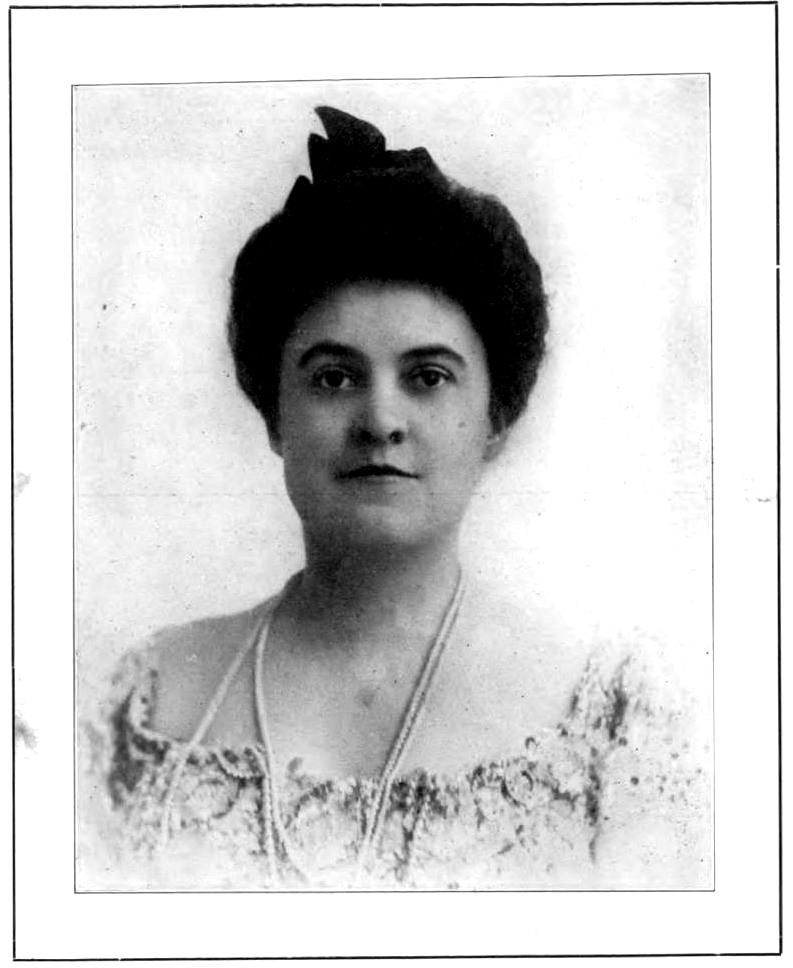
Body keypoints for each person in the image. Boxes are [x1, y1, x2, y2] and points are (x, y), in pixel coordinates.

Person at [94, 107, 710, 890]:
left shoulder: (610, 719)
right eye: (332, 378)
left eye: (427, 377)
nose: (380, 420)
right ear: (275, 415)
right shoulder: (148, 698)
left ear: (494, 420)